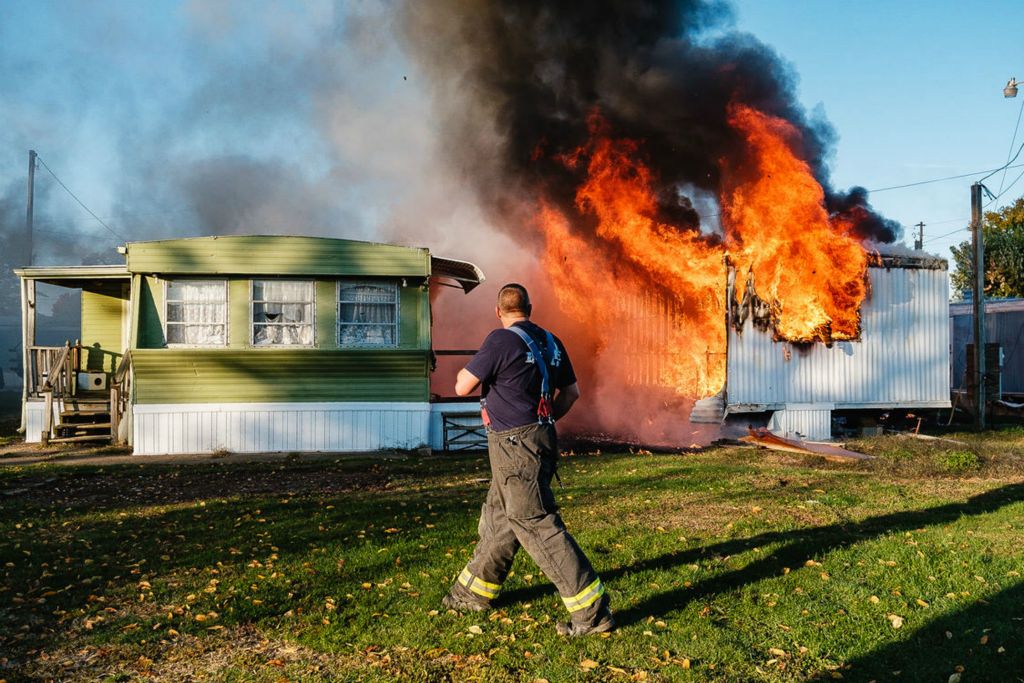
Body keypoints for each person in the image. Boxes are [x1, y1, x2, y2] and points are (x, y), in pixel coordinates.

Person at [441, 283, 613, 637]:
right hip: (540, 439)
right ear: (530, 307)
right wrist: (544, 423)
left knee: (534, 522)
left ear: (497, 311)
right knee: (501, 518)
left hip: (514, 445)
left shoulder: (500, 340)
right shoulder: (551, 340)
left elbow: (462, 386)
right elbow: (572, 393)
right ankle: (470, 593)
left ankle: (592, 614)